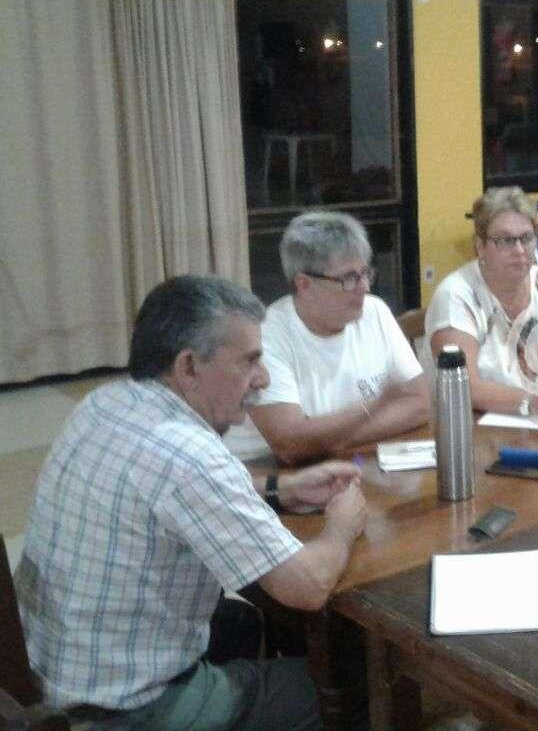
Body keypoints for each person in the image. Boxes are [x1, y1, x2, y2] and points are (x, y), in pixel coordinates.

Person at [15, 275, 368, 729]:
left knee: (239, 623)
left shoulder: (104, 403)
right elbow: (308, 586)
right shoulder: (188, 453)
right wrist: (342, 524)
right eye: (250, 360)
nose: (263, 378)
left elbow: (166, 492)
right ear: (189, 367)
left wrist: (281, 489)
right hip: (123, 711)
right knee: (347, 687)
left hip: (51, 673)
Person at [224, 212, 429, 464]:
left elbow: (421, 404)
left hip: (343, 460)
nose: (365, 287)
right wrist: (374, 409)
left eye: (365, 273)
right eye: (350, 278)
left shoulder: (374, 311)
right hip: (264, 470)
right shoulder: (266, 337)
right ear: (304, 284)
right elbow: (290, 445)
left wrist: (328, 439)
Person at [425, 187, 538, 422]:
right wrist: (530, 401)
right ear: (480, 246)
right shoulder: (456, 296)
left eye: (527, 238)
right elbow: (462, 385)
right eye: (505, 241)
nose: (519, 250)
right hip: (474, 429)